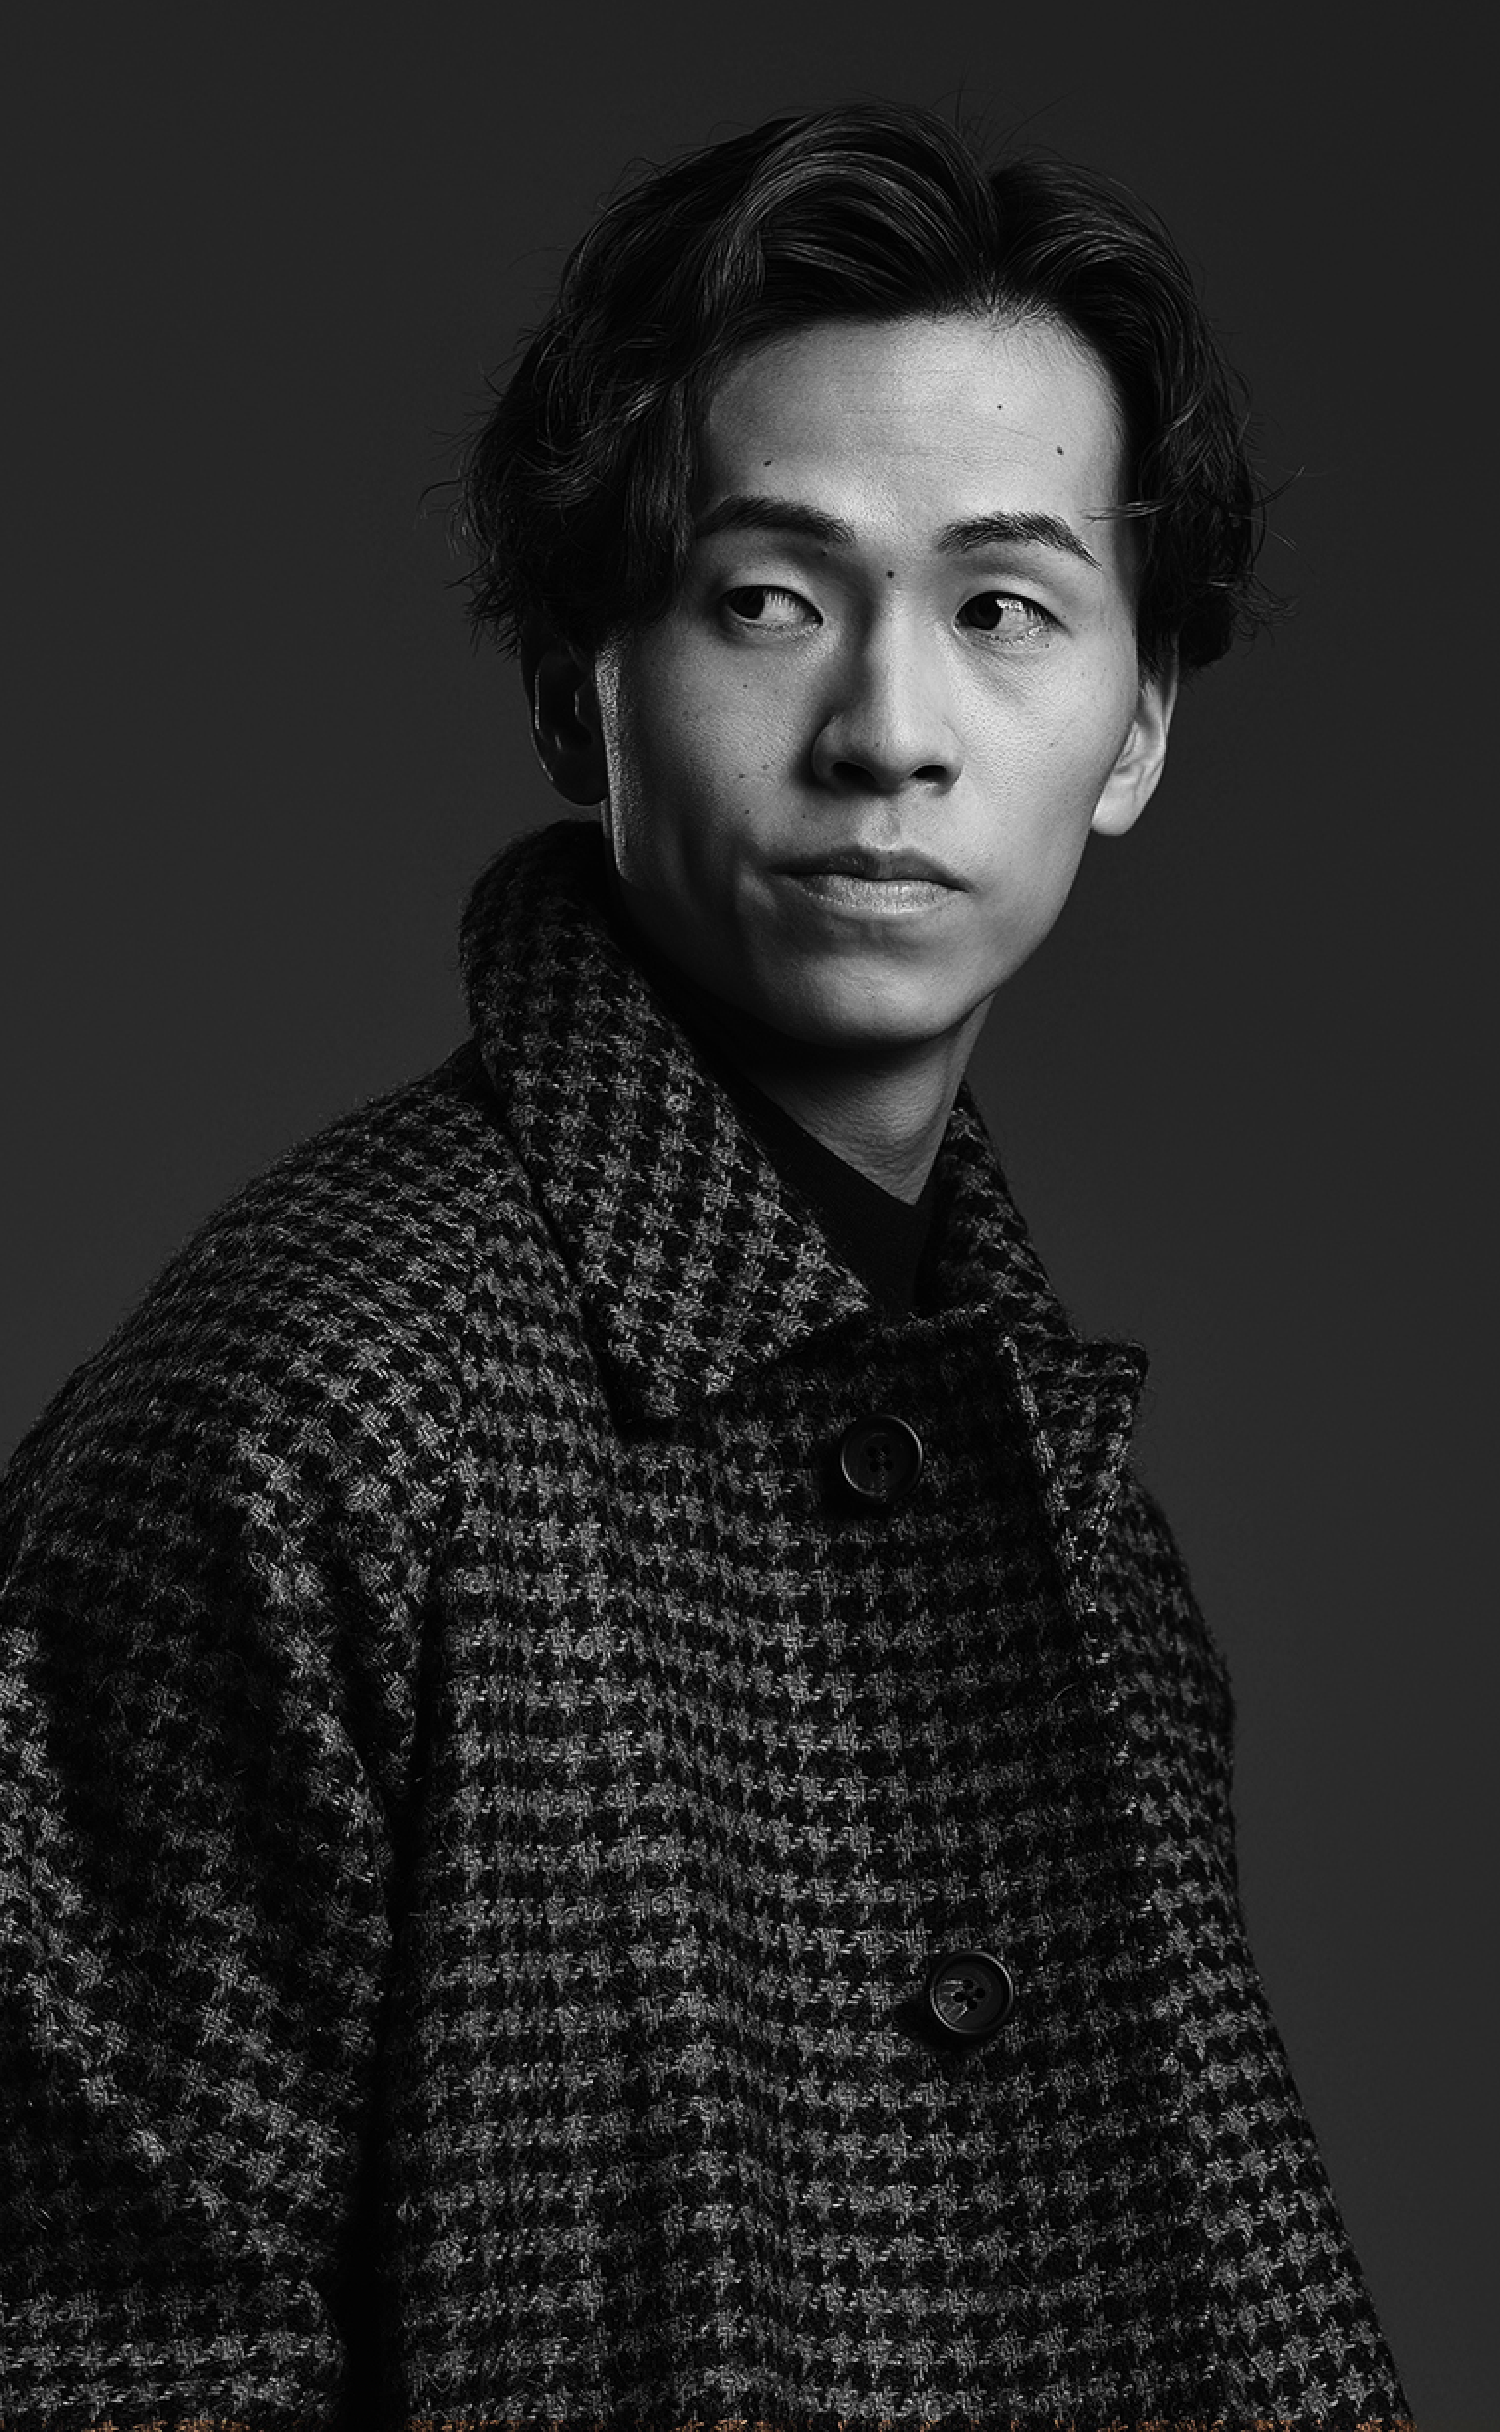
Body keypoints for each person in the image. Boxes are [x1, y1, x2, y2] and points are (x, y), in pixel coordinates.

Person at [0, 101, 1410, 2429]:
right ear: (585, 683)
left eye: (1004, 610)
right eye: (769, 598)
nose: (888, 733)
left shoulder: (1073, 1529)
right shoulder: (310, 1409)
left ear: (1138, 724)